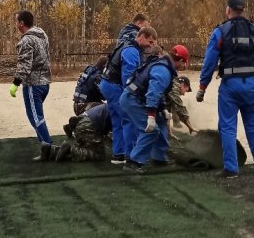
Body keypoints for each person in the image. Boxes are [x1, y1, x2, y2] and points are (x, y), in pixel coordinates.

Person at [196, 0, 254, 178]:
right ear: (243, 10)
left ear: (228, 10)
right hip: (253, 83)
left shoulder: (220, 32)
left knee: (228, 125)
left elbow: (209, 61)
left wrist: (202, 86)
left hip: (230, 85)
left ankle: (231, 169)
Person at [121, 45, 189, 173]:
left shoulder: (162, 63)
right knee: (151, 130)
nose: (183, 66)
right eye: (183, 63)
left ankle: (159, 157)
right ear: (180, 60)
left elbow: (159, 92)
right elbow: (153, 93)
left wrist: (163, 109)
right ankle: (134, 162)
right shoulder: (163, 70)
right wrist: (151, 116)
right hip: (133, 100)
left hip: (137, 97)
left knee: (162, 120)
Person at [99, 27, 157, 164]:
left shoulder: (126, 44)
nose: (151, 46)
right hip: (114, 86)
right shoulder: (131, 51)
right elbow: (129, 78)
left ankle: (118, 154)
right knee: (129, 119)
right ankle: (131, 155)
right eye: (150, 42)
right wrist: (135, 97)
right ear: (141, 36)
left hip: (107, 84)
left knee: (117, 120)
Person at [9, 10, 53, 150]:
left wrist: (15, 83)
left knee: (35, 117)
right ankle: (45, 145)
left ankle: (49, 148)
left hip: (33, 85)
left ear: (22, 23)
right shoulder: (42, 34)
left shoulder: (26, 40)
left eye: (16, 21)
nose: (15, 24)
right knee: (36, 116)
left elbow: (24, 65)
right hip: (45, 82)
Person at [36, 103, 111, 162]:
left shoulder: (115, 103)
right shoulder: (118, 106)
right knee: (99, 155)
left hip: (83, 123)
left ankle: (51, 150)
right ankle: (70, 149)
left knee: (85, 149)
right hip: (88, 125)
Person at [65, 55, 108, 139]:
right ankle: (98, 133)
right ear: (104, 66)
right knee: (106, 111)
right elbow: (106, 96)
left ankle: (72, 125)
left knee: (101, 108)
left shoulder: (90, 70)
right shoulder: (97, 77)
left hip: (78, 105)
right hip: (85, 106)